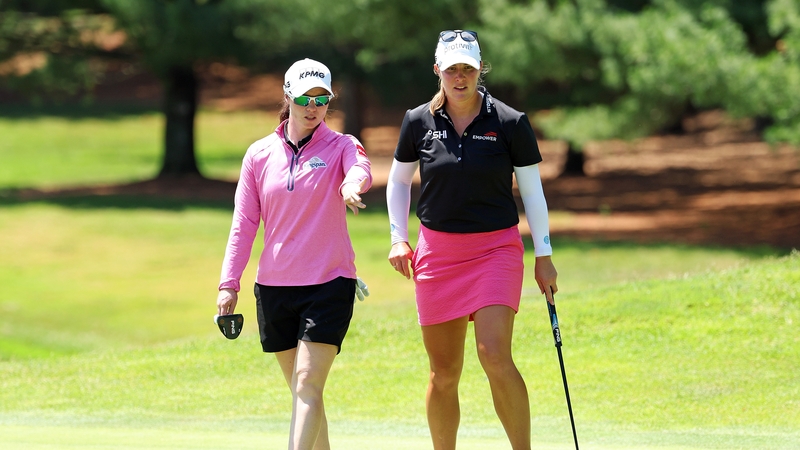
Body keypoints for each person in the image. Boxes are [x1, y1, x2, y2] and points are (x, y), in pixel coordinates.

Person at [386, 30, 559, 450]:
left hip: (495, 251)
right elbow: (398, 181)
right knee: (443, 373)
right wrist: (398, 238)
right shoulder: (418, 121)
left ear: (481, 68)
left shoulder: (510, 122)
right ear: (437, 70)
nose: (460, 76)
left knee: (494, 355)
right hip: (438, 254)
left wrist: (544, 254)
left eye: (467, 67)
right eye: (451, 69)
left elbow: (532, 191)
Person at [216, 58, 372, 450]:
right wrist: (228, 283)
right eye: (304, 98)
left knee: (307, 384)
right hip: (274, 289)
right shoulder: (258, 155)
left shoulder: (341, 145)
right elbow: (244, 224)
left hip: (329, 283)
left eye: (321, 98)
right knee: (305, 394)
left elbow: (360, 168)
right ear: (288, 96)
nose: (312, 106)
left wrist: (351, 185)